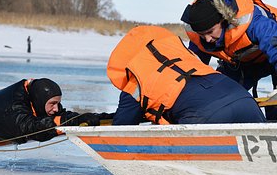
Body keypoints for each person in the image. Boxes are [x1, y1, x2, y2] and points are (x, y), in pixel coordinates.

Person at [180, 0, 277, 120]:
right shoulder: (202, 37)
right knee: (218, 97)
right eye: (202, 34)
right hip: (244, 60)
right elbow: (192, 70)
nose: (207, 39)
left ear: (223, 21)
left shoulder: (257, 23)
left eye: (210, 32)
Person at [107, 25, 266, 125]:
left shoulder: (135, 82)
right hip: (244, 100)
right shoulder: (185, 57)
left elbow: (123, 127)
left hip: (205, 116)